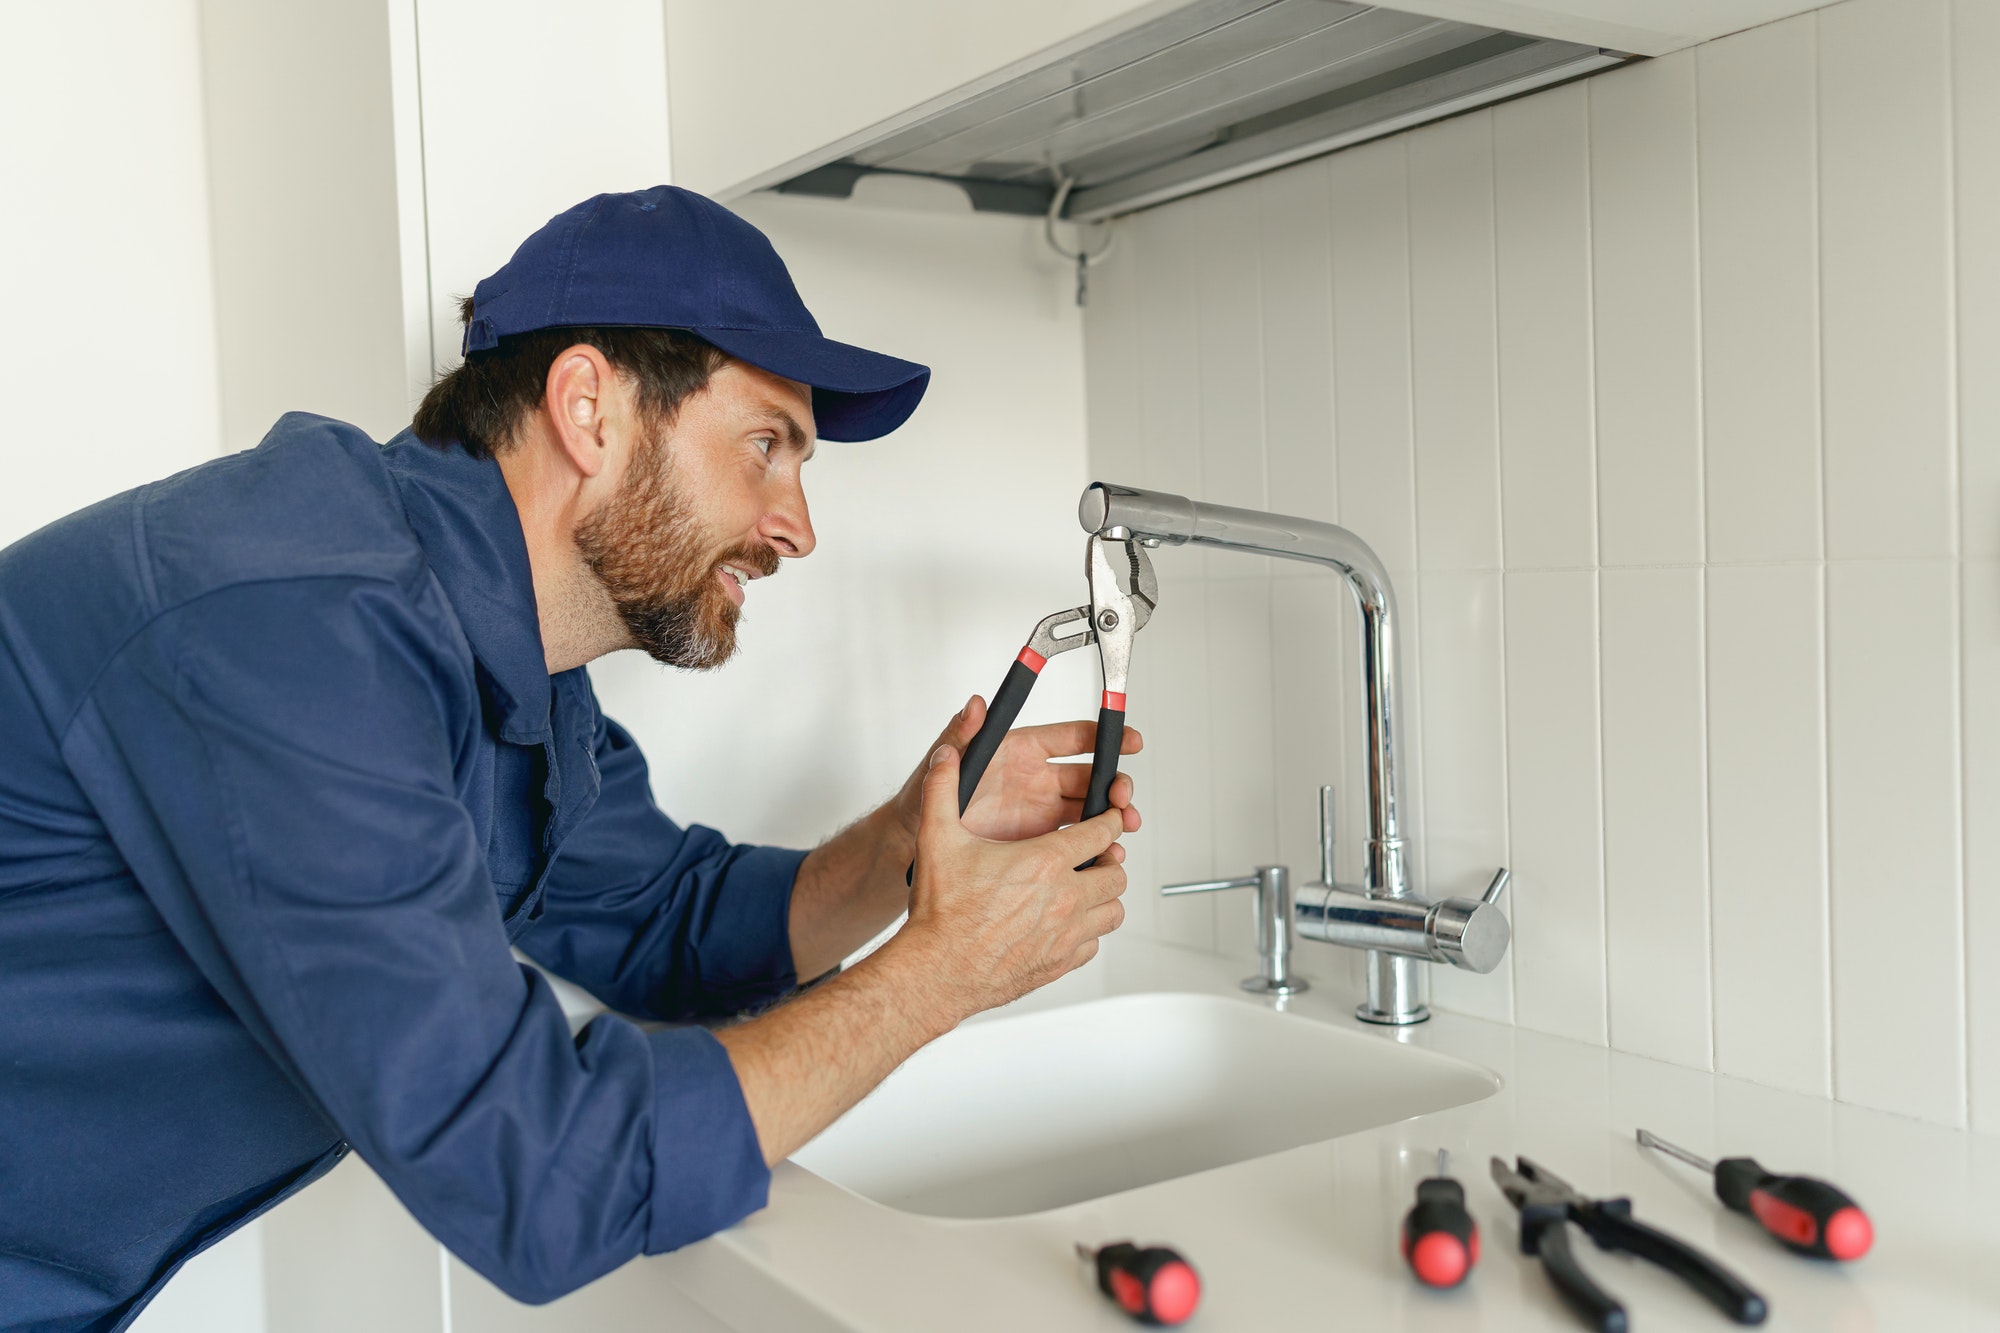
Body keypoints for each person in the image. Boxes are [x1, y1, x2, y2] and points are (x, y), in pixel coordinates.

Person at [0, 185, 1139, 1331]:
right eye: (765, 444)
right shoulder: (297, 627)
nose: (798, 524)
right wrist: (944, 970)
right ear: (588, 406)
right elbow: (533, 1176)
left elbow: (666, 920)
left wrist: (909, 842)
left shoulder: (501, 666)